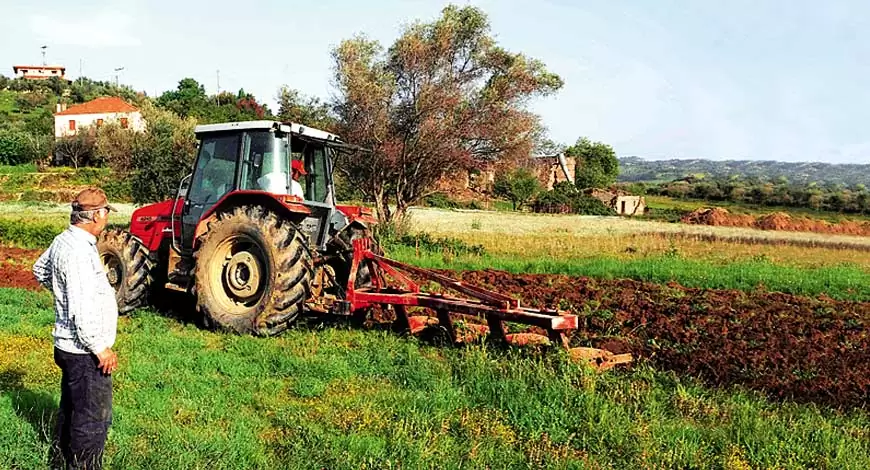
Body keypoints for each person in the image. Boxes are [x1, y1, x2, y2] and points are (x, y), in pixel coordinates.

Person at [32, 188, 119, 470]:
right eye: (105, 211)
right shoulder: (80, 252)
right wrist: (99, 348)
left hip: (67, 346)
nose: (107, 216)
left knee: (72, 409)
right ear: (94, 215)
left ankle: (59, 461)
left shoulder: (63, 240)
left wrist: (62, 292)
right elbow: (81, 309)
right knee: (92, 420)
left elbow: (39, 269)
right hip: (84, 352)